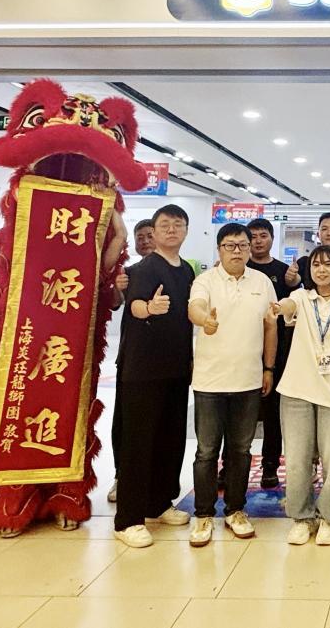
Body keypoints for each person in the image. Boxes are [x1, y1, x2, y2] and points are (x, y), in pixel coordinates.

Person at [186, 222, 277, 546]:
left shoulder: (262, 282)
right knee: (206, 451)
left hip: (248, 380)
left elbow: (270, 327)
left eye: (242, 245)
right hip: (210, 381)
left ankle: (236, 510)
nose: (236, 251)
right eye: (230, 245)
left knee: (240, 450)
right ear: (219, 249)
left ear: (250, 249)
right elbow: (194, 307)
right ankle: (203, 514)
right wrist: (205, 320)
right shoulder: (206, 280)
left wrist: (268, 368)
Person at [113, 205, 195, 549]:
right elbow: (134, 305)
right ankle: (128, 519)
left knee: (169, 439)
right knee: (138, 442)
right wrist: (149, 308)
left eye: (178, 224)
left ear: (186, 230)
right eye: (165, 225)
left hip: (176, 369)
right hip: (142, 370)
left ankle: (158, 503)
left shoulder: (186, 271)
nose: (172, 230)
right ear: (155, 231)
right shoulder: (144, 268)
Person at [271, 245, 330, 546]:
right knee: (297, 459)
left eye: (327, 264)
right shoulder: (301, 296)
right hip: (297, 389)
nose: (321, 270)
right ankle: (302, 518)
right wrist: (279, 307)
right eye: (315, 265)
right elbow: (288, 306)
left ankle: (328, 517)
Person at [107, 219, 155, 504]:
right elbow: (114, 303)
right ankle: (121, 476)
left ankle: (155, 481)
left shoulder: (179, 270)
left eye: (150, 235)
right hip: (132, 358)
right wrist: (117, 287)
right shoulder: (128, 273)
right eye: (141, 237)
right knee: (125, 422)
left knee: (159, 423)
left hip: (166, 358)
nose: (145, 241)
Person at [246, 217, 293, 490]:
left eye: (263, 235)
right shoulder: (239, 268)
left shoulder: (283, 272)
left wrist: (294, 282)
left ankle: (270, 466)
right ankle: (230, 465)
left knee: (273, 413)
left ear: (272, 239)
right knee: (240, 413)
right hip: (244, 349)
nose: (257, 241)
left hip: (277, 352)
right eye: (252, 236)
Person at [285, 212, 330, 291]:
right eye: (324, 229)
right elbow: (294, 282)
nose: (329, 233)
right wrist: (291, 278)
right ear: (318, 235)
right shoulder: (305, 262)